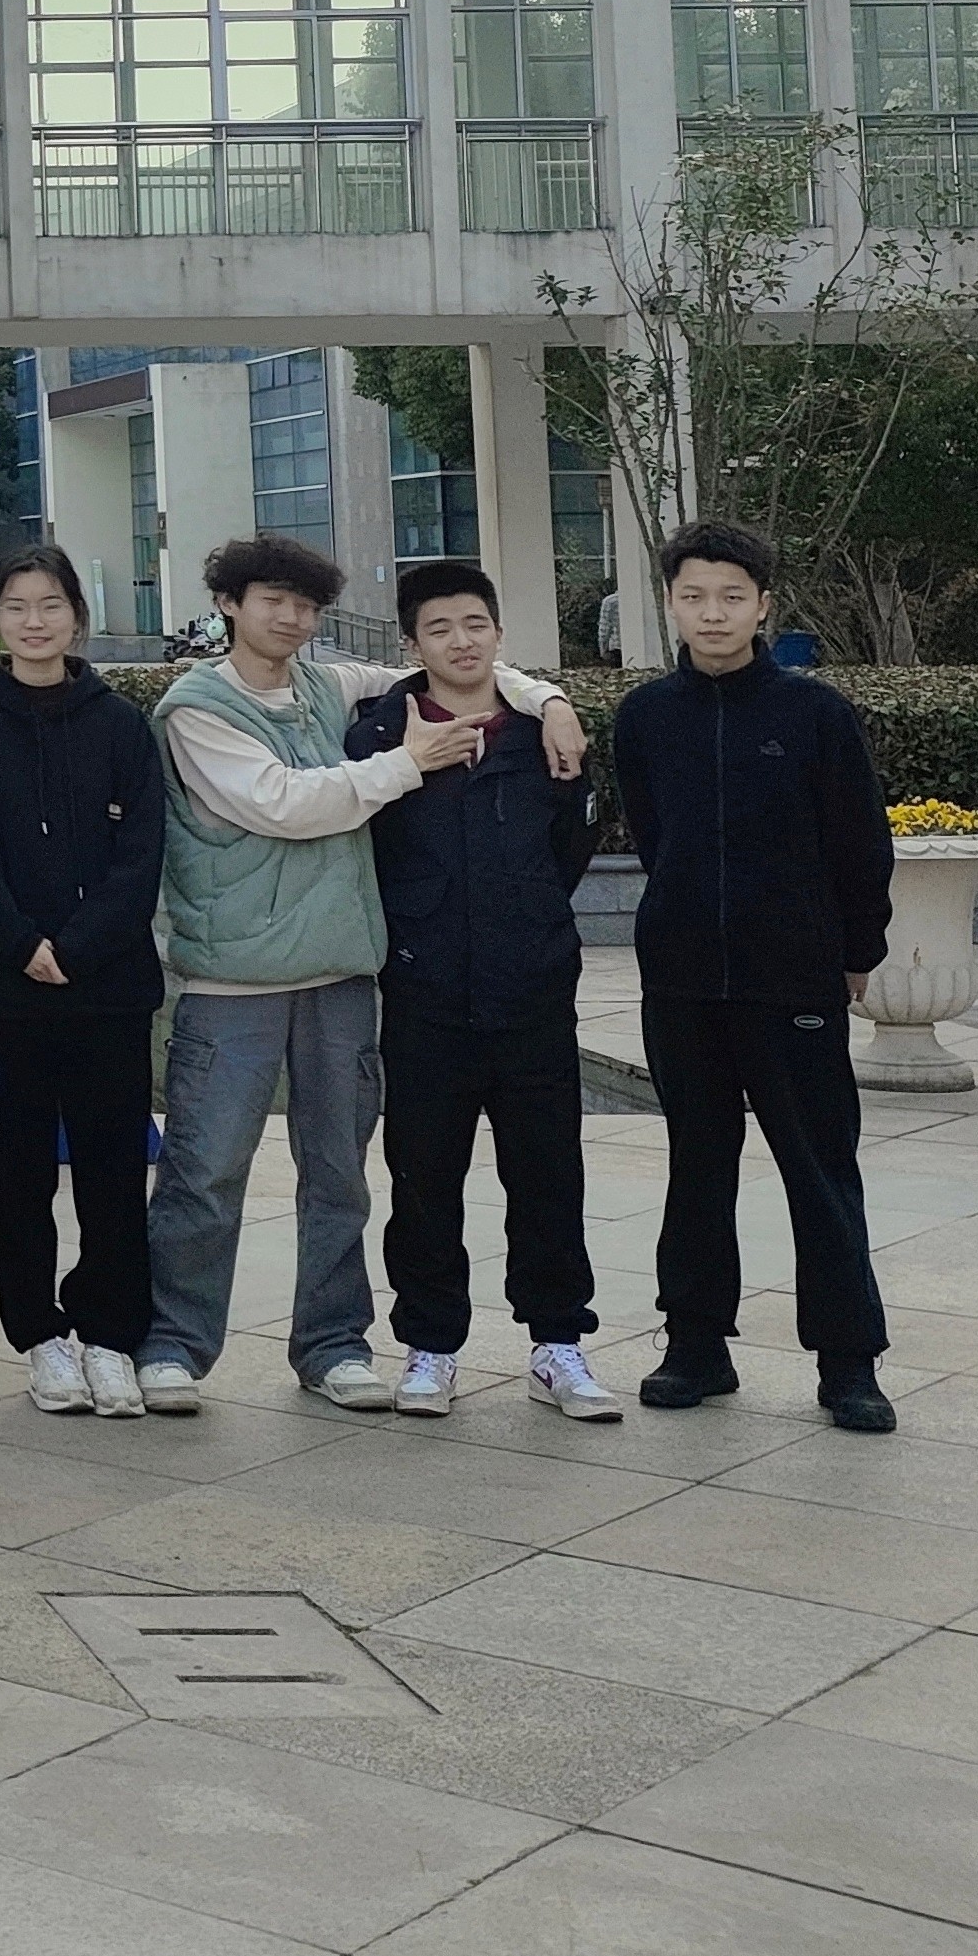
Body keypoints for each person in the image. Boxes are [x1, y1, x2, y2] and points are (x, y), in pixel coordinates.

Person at [144, 534, 582, 1416]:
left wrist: (554, 698)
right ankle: (175, 1345)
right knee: (206, 1169)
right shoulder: (196, 707)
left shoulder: (324, 685)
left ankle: (334, 1344)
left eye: (305, 605)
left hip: (339, 968)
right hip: (235, 976)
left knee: (339, 1174)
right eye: (272, 600)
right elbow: (280, 802)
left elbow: (455, 665)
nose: (291, 618)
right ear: (229, 604)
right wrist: (405, 765)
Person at [612, 521, 899, 1435]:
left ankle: (849, 1363)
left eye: (732, 597)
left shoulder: (815, 715)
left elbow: (860, 841)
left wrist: (856, 951)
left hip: (795, 980)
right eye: (695, 596)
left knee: (820, 1171)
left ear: (764, 605)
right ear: (670, 603)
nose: (714, 613)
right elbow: (654, 836)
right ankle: (695, 1346)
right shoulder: (645, 717)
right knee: (698, 1165)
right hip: (684, 981)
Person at [352, 559, 617, 1425]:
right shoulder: (378, 734)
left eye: (475, 624)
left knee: (548, 1174)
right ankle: (430, 1346)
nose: (460, 642)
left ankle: (557, 1343)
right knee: (424, 1177)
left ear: (499, 634)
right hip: (425, 995)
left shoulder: (542, 735)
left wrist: (527, 920)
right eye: (439, 628)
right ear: (412, 644)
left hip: (532, 990)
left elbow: (568, 850)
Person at [0, 544, 165, 1417]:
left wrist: (78, 945)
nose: (35, 622)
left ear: (77, 616)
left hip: (109, 987)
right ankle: (41, 1337)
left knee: (112, 1171)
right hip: (8, 987)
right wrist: (22, 943)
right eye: (17, 607)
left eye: (51, 605)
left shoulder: (121, 724)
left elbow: (141, 854)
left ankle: (110, 1335)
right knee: (18, 1175)